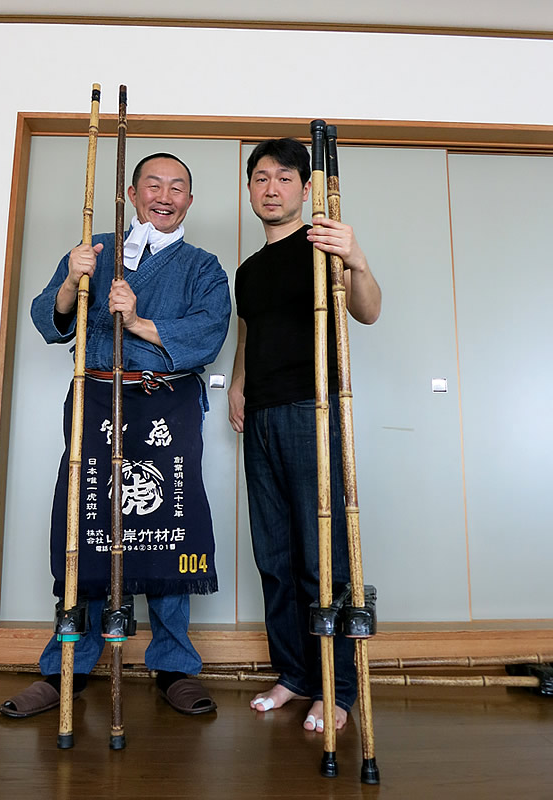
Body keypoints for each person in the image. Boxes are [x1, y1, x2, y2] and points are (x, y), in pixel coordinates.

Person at [0, 153, 231, 718]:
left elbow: (209, 332)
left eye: (179, 187)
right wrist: (74, 280)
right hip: (97, 396)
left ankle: (174, 664)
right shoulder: (95, 249)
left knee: (169, 525)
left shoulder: (203, 265)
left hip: (166, 403)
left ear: (190, 202)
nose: (166, 195)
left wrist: (138, 322)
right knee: (88, 524)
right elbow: (47, 320)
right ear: (132, 193)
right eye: (154, 184)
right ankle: (66, 666)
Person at [228, 138, 381, 733]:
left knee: (326, 560)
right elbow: (249, 332)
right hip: (261, 414)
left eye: (284, 178)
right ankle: (295, 674)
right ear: (250, 190)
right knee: (274, 556)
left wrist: (359, 261)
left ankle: (338, 690)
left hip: (312, 410)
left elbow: (367, 312)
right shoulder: (248, 269)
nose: (271, 188)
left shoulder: (323, 246)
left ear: (305, 187)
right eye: (261, 178)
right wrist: (239, 384)